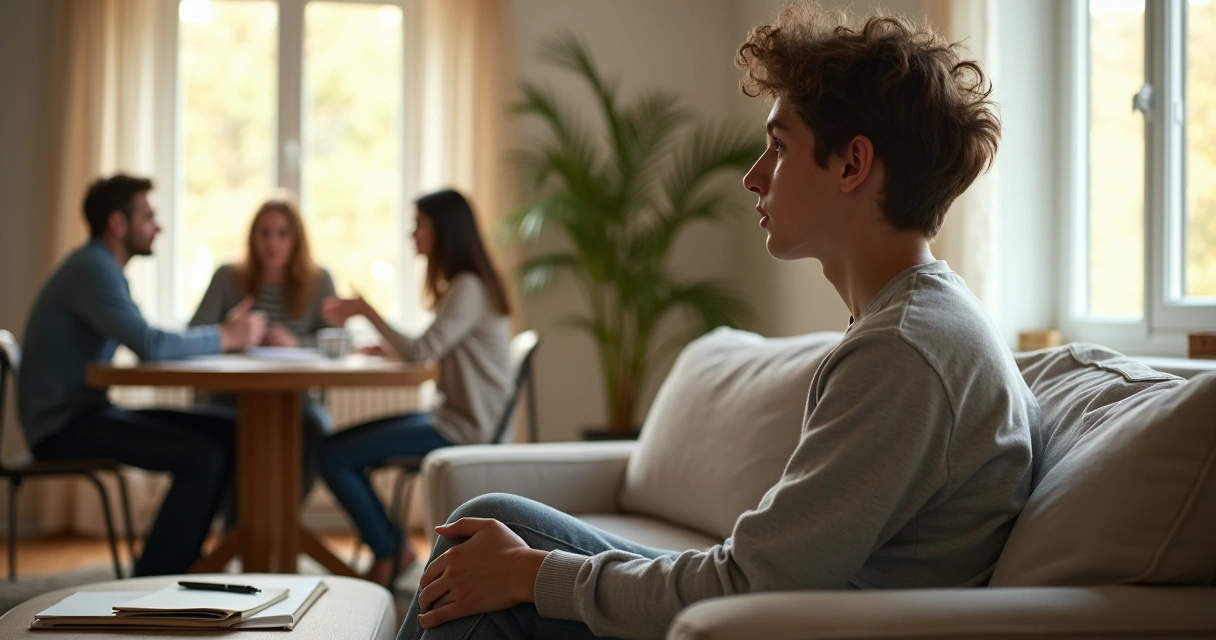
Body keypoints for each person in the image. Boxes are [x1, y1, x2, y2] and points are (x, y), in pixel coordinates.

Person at [396, 5, 1039, 640]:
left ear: (852, 165)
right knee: (485, 527)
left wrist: (536, 576)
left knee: (482, 548)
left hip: (790, 627)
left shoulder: (903, 352)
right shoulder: (914, 323)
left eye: (779, 147)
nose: (753, 176)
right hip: (793, 610)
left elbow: (752, 588)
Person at [18, 174, 266, 576]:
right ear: (118, 223)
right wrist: (226, 334)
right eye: (148, 216)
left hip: (88, 411)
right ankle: (157, 577)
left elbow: (151, 341)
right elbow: (150, 345)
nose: (158, 226)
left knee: (231, 432)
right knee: (202, 456)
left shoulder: (99, 268)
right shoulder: (93, 269)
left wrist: (224, 335)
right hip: (62, 426)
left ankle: (196, 561)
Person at [320, 188, 513, 587]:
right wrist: (387, 345)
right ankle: (391, 547)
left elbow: (423, 350)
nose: (413, 235)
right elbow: (429, 347)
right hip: (452, 418)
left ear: (444, 231)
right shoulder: (467, 286)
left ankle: (390, 549)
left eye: (419, 226)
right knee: (333, 449)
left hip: (463, 429)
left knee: (333, 454)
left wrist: (365, 310)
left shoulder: (468, 288)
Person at [189, 194, 337, 500]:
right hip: (229, 396)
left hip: (296, 399)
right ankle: (237, 530)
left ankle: (285, 526)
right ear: (252, 237)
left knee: (313, 430)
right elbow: (192, 335)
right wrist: (229, 332)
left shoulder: (319, 280)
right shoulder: (228, 277)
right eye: (264, 232)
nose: (273, 243)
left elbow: (338, 343)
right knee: (224, 436)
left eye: (283, 233)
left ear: (296, 239)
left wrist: (297, 343)